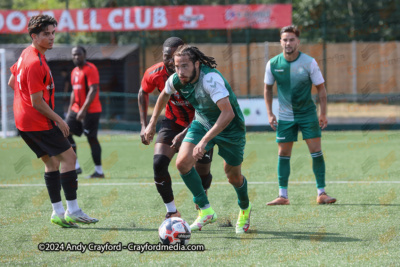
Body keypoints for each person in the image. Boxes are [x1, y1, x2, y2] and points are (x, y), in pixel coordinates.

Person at [144, 45, 252, 234]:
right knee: (183, 163)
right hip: (202, 122)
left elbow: (228, 114)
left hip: (230, 129)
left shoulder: (211, 79)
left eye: (184, 66)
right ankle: (205, 210)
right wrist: (152, 123)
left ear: (196, 63)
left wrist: (203, 142)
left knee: (233, 176)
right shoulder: (178, 78)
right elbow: (163, 95)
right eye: (177, 67)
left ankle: (245, 208)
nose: (180, 72)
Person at [8, 14, 98, 228]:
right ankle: (73, 210)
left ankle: (58, 212)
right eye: (46, 34)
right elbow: (37, 102)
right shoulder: (34, 62)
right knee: (70, 158)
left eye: (53, 33)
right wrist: (59, 119)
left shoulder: (26, 53)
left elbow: (13, 81)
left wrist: (25, 104)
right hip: (38, 121)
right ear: (34, 36)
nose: (51, 37)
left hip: (23, 122)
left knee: (52, 162)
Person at [138, 37, 214, 219]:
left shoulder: (201, 74)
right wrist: (146, 124)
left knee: (202, 171)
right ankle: (171, 211)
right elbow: (143, 92)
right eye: (167, 57)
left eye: (175, 57)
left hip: (201, 123)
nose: (172, 62)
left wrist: (184, 134)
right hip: (172, 121)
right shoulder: (155, 73)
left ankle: (203, 199)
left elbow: (207, 109)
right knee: (158, 164)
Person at [263, 25, 336, 205]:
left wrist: (323, 113)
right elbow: (267, 89)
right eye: (285, 39)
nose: (288, 43)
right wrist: (270, 113)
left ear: (298, 42)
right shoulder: (272, 64)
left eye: (291, 39)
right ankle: (283, 196)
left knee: (316, 152)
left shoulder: (309, 62)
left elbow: (321, 89)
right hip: (285, 116)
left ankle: (321, 193)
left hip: (308, 115)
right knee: (283, 152)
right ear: (280, 42)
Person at [66, 46, 104, 178]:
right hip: (76, 109)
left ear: (84, 55)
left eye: (79, 54)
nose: (76, 57)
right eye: (74, 55)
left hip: (91, 111)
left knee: (91, 138)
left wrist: (83, 110)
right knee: (65, 132)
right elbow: (73, 91)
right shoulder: (74, 71)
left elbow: (93, 90)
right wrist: (70, 109)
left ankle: (99, 171)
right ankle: (75, 167)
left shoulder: (91, 69)